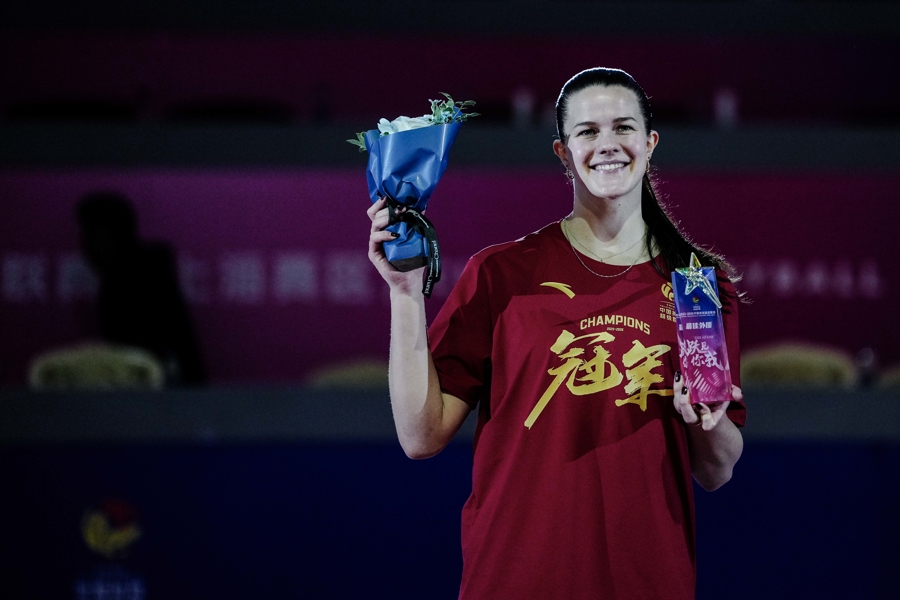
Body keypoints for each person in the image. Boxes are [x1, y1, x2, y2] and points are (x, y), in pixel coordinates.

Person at [367, 68, 745, 600]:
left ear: (650, 143)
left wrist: (709, 421)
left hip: (646, 582)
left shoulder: (696, 286)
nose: (607, 144)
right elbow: (420, 436)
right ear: (563, 154)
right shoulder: (500, 274)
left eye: (623, 127)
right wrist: (405, 294)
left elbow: (717, 470)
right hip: (514, 581)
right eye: (587, 131)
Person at [77, 191, 206, 385]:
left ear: (116, 234)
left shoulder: (140, 280)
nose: (86, 246)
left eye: (93, 236)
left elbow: (165, 347)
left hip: (156, 393)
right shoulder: (119, 279)